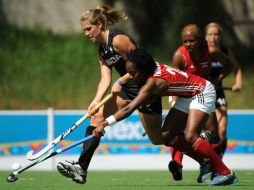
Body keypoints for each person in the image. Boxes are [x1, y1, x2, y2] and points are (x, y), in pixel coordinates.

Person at [93, 48, 238, 186]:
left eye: (133, 73)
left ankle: (226, 172)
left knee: (191, 136)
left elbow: (129, 107)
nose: (130, 77)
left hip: (202, 91)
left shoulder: (153, 82)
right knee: (166, 135)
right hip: (187, 96)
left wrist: (104, 123)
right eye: (128, 73)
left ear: (143, 69)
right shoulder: (150, 68)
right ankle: (204, 162)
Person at [56, 4, 163, 184]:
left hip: (146, 89)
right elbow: (104, 79)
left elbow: (143, 64)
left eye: (89, 29)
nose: (86, 33)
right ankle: (81, 168)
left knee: (159, 139)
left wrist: (120, 80)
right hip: (129, 90)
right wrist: (95, 102)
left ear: (100, 24)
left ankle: (190, 136)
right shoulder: (102, 51)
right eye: (84, 30)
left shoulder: (118, 40)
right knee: (97, 117)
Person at [168, 24, 234, 183]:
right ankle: (178, 163)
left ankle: (208, 165)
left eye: (192, 40)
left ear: (200, 40)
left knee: (213, 133)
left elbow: (229, 65)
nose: (188, 44)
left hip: (205, 93)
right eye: (185, 41)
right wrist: (173, 102)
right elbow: (173, 81)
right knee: (176, 131)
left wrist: (218, 79)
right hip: (186, 94)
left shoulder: (210, 51)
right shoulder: (179, 56)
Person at [205, 22, 243, 158]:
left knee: (222, 130)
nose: (213, 37)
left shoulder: (225, 51)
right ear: (205, 36)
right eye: (210, 34)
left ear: (220, 36)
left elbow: (236, 68)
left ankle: (219, 160)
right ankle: (209, 160)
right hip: (203, 95)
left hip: (219, 93)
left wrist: (237, 82)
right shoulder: (202, 52)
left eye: (216, 34)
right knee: (209, 133)